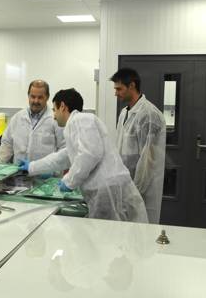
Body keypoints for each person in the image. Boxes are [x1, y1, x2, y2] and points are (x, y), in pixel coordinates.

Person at [20, 88, 147, 222]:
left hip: (107, 189)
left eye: (54, 110)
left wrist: (69, 182)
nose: (54, 115)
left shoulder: (80, 119)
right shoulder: (77, 125)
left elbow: (90, 154)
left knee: (111, 235)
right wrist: (32, 167)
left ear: (62, 106)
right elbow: (63, 157)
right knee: (117, 235)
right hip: (107, 188)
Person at [111, 68, 166, 224]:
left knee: (142, 234)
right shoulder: (124, 113)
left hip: (142, 190)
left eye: (119, 89)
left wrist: (134, 193)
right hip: (126, 185)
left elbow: (148, 162)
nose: (116, 93)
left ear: (132, 86)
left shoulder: (149, 115)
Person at [0, 80, 64, 164]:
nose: (35, 101)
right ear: (28, 96)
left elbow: (63, 148)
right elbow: (7, 144)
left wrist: (55, 171)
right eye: (33, 96)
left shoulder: (56, 120)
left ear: (47, 97)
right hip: (18, 173)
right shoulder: (18, 118)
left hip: (45, 175)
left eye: (40, 97)